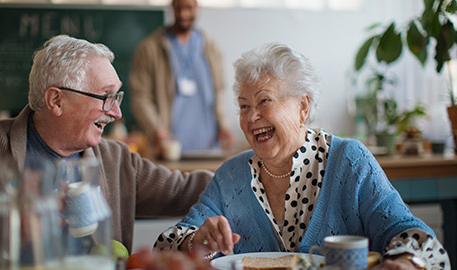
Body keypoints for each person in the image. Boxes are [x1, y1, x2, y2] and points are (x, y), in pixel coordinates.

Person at [154, 43, 451, 269]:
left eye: (264, 101)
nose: (251, 116)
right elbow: (167, 246)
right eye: (244, 106)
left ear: (303, 107)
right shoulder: (231, 176)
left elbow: (410, 232)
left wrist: (407, 262)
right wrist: (197, 240)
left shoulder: (350, 161)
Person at [0, 35, 213, 262]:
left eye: (117, 97)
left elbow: (187, 189)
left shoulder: (116, 158)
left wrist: (248, 167)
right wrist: (6, 227)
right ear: (56, 101)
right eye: (105, 97)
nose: (117, 113)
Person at [129, 0, 234, 157]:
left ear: (197, 8)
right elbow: (140, 97)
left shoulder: (211, 48)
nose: (183, 14)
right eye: (178, 8)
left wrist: (224, 125)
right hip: (168, 150)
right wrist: (155, 129)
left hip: (209, 149)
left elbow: (219, 92)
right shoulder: (149, 49)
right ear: (172, 7)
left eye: (189, 8)